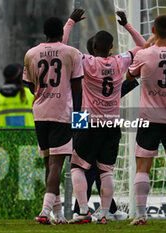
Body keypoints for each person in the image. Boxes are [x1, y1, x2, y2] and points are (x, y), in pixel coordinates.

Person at [63, 9, 145, 224]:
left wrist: (70, 22)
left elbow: (62, 50)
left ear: (91, 49)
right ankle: (106, 211)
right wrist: (127, 25)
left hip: (86, 120)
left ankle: (82, 209)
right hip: (110, 122)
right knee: (103, 170)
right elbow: (142, 49)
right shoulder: (119, 63)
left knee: (81, 166)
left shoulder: (84, 65)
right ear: (110, 48)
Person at [127, 15, 166, 225]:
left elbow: (129, 77)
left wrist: (145, 46)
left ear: (153, 30)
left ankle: (141, 215)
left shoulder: (144, 54)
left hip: (148, 119)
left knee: (143, 167)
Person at [22, 16, 84, 225]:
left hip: (40, 113)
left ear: (44, 32)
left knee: (50, 164)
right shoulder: (72, 53)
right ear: (61, 33)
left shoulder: (31, 53)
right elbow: (77, 89)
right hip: (62, 114)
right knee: (57, 164)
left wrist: (43, 94)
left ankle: (58, 215)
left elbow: (29, 85)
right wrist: (80, 120)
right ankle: (45, 210)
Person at [72, 35, 136, 221]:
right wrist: (130, 82)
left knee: (92, 165)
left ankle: (105, 208)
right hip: (84, 115)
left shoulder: (85, 67)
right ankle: (83, 209)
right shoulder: (89, 67)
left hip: (81, 115)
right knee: (91, 166)